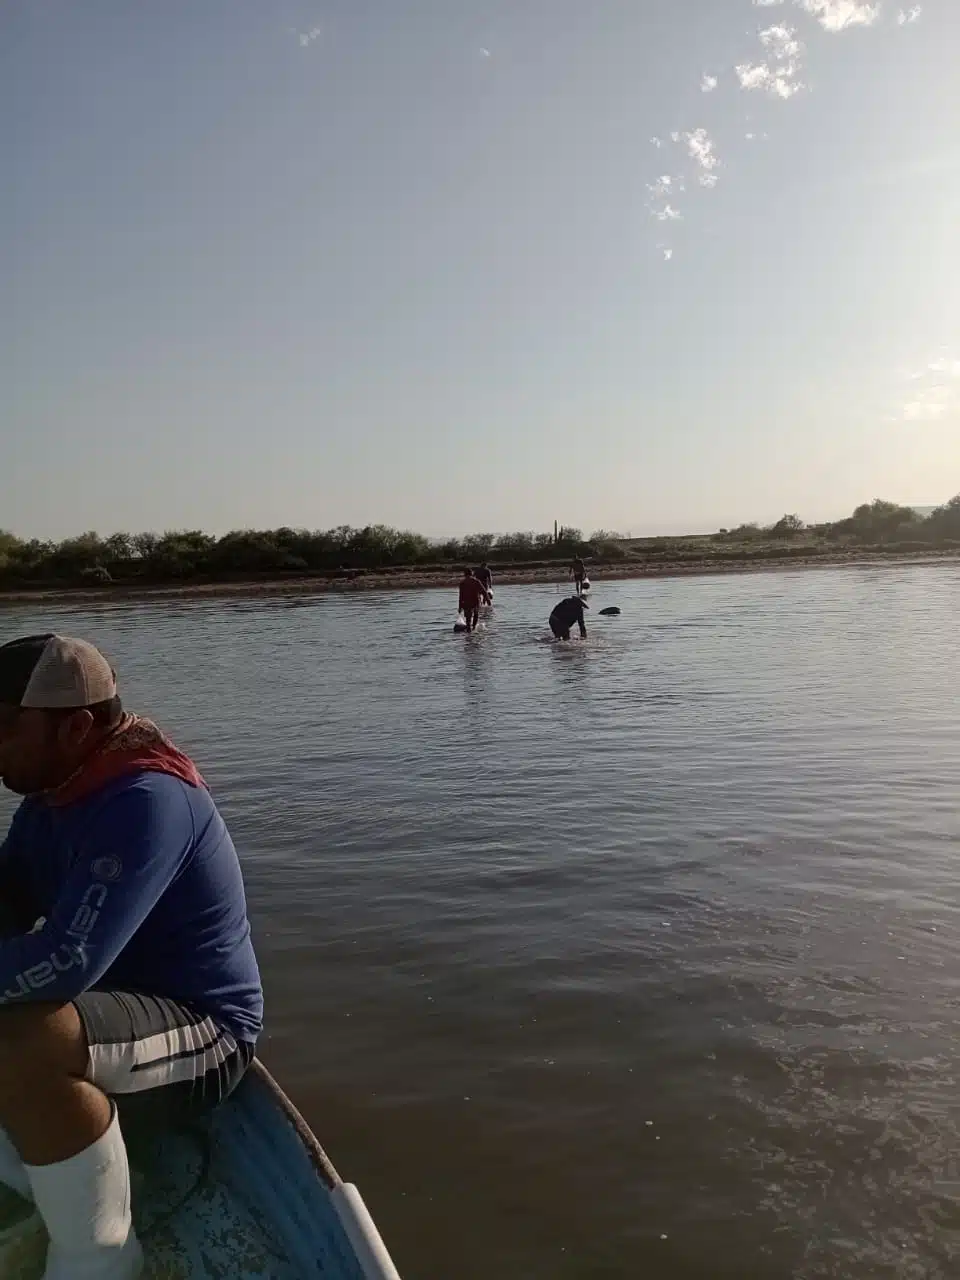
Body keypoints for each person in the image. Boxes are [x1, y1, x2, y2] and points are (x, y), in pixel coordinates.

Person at [0, 634, 263, 1279]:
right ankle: (59, 1172)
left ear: (77, 727)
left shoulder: (146, 802)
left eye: (2, 727)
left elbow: (66, 961)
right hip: (110, 1017)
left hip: (204, 1029)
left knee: (23, 1040)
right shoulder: (51, 799)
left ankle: (100, 1258)